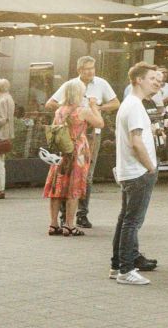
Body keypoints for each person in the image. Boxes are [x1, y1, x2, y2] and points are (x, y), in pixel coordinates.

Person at [47, 57, 118, 229]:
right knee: (73, 175)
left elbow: (116, 103)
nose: (90, 71)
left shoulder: (101, 83)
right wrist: (78, 109)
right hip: (77, 138)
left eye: (92, 68)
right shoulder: (71, 85)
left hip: (91, 135)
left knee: (85, 175)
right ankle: (68, 217)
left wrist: (98, 108)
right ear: (79, 70)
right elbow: (50, 102)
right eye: (86, 69)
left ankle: (80, 214)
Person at [110, 63, 162, 285]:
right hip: (137, 172)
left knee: (126, 220)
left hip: (130, 171)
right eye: (152, 78)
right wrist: (150, 167)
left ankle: (118, 265)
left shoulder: (130, 105)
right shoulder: (134, 107)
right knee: (132, 221)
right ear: (138, 80)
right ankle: (126, 269)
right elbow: (136, 142)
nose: (157, 82)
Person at [43, 78, 101, 234]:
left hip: (62, 151)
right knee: (73, 188)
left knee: (58, 187)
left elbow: (56, 129)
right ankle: (70, 225)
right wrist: (94, 106)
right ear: (79, 93)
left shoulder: (60, 110)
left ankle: (54, 224)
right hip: (78, 151)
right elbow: (100, 124)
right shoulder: (82, 111)